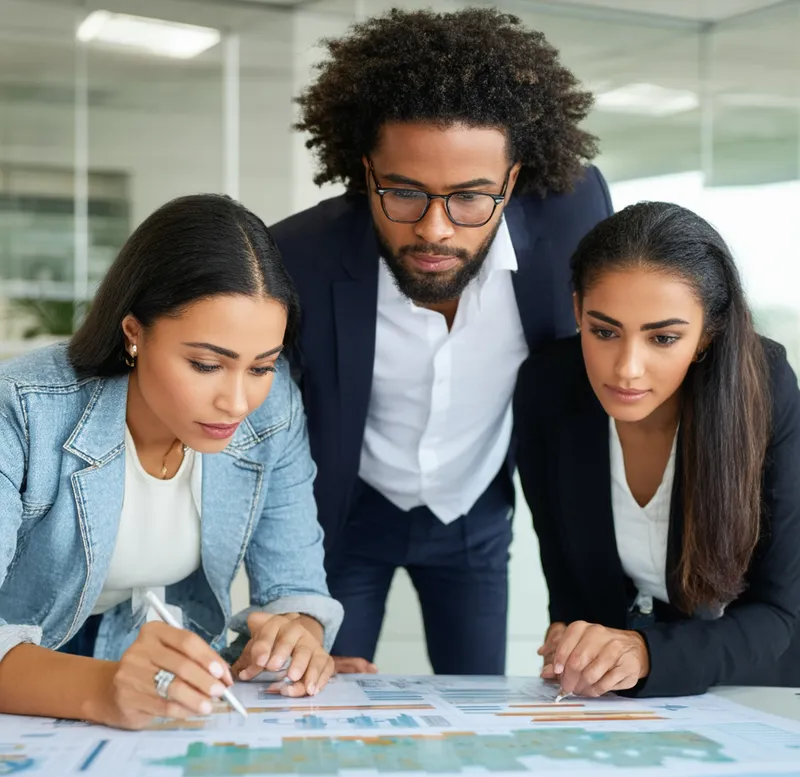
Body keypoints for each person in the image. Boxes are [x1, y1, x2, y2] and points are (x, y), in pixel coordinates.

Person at [272, 7, 612, 675]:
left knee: (478, 702)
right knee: (317, 701)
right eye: (402, 192)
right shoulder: (297, 257)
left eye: (469, 198)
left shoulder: (573, 218)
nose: (435, 230)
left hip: (476, 513)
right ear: (365, 170)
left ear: (511, 182)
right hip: (342, 520)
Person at [0, 194, 343, 729]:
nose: (236, 402)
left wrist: (296, 631)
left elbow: (295, 585)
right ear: (134, 333)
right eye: (206, 364)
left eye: (261, 367)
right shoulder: (23, 410)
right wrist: (103, 688)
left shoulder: (272, 411)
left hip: (147, 667)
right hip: (29, 661)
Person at [515, 201, 800, 698]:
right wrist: (572, 636)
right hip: (625, 703)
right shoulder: (547, 386)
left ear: (707, 333)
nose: (626, 368)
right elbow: (567, 585)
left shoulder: (765, 387)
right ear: (577, 307)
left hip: (756, 682)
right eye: (604, 331)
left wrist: (645, 653)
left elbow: (780, 614)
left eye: (663, 338)